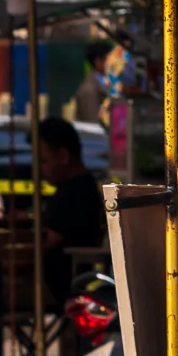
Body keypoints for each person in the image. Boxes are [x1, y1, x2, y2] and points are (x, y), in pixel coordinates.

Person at [37, 116, 106, 307]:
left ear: (62, 156)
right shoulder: (79, 188)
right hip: (59, 284)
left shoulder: (74, 193)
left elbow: (45, 243)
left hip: (55, 286)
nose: (40, 169)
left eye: (43, 160)